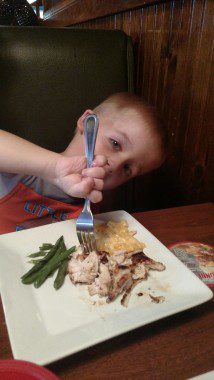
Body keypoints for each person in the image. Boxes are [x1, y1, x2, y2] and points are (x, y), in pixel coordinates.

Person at [0, 92, 167, 234]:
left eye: (127, 168)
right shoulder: (23, 168)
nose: (115, 165)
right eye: (115, 144)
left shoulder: (94, 208)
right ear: (86, 122)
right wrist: (54, 168)